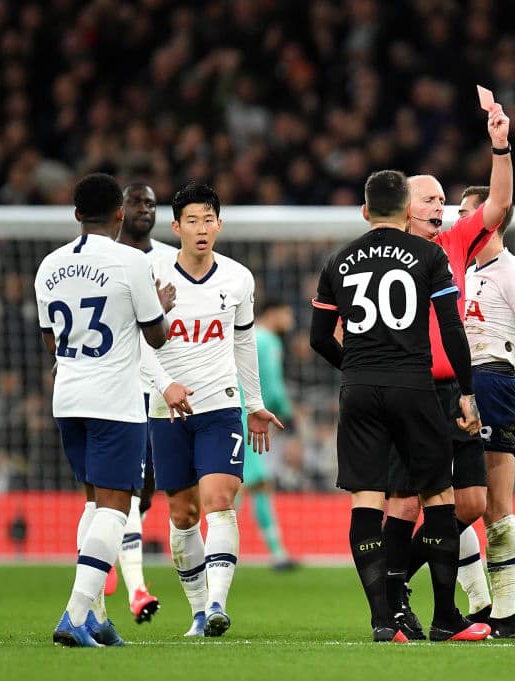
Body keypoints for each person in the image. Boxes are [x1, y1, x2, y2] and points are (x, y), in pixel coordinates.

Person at [309, 169, 490, 643]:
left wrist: (354, 367)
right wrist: (467, 391)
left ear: (365, 211)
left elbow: (318, 338)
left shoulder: (339, 260)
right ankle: (445, 617)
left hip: (360, 390)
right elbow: (450, 327)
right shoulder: (429, 254)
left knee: (369, 502)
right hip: (414, 387)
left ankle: (383, 621)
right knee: (439, 499)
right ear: (407, 208)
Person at [382, 103, 513, 638]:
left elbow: (499, 203)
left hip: (458, 388)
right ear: (405, 209)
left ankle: (398, 581)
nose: (440, 207)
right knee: (408, 500)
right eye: (430, 200)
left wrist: (500, 145)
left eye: (443, 200)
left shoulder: (456, 241)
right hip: (409, 388)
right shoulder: (387, 255)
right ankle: (402, 602)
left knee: (471, 502)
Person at [141, 182, 284, 638]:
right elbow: (136, 342)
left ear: (219, 224)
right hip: (167, 411)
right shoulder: (151, 273)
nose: (201, 229)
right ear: (176, 227)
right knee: (182, 515)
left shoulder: (238, 278)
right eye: (192, 221)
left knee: (220, 501)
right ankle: (199, 613)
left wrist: (254, 403)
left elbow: (244, 342)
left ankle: (218, 603)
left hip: (221, 407)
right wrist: (165, 385)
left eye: (208, 220)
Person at [36, 173, 172, 646]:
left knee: (94, 503)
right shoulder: (131, 261)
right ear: (119, 213)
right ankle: (75, 617)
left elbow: (51, 341)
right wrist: (161, 307)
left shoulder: (48, 265)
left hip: (68, 398)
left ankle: (95, 616)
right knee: (117, 508)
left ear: (76, 214)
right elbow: (156, 336)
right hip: (115, 400)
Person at [460, 185, 515, 638]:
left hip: (495, 382)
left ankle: (505, 614)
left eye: (465, 212)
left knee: (495, 505)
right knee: (450, 498)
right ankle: (479, 602)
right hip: (457, 388)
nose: (458, 220)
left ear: (490, 219)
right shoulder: (460, 269)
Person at [108, 180, 176, 623]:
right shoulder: (107, 260)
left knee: (147, 492)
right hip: (120, 388)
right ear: (120, 209)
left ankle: (111, 549)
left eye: (150, 203)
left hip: (163, 390)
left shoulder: (170, 260)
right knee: (123, 490)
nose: (144, 209)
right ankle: (135, 587)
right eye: (136, 202)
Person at [238, 298, 297, 570]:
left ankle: (277, 552)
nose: (291, 320)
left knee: (256, 482)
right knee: (242, 483)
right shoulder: (268, 341)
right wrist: (287, 412)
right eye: (287, 313)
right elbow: (273, 386)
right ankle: (217, 550)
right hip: (249, 417)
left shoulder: (248, 335)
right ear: (273, 313)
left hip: (234, 411)